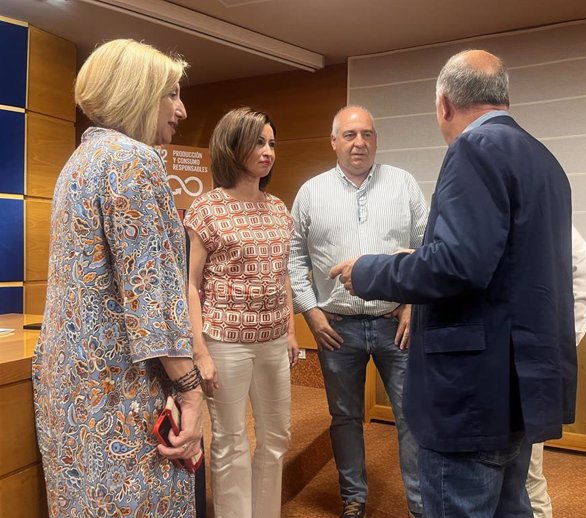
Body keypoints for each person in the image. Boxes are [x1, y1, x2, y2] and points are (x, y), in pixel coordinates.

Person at [331, 49, 576, 517]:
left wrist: (367, 271)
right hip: (518, 385)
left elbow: (457, 267)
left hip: (471, 394)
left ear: (444, 104)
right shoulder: (543, 158)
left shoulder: (472, 148)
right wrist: (422, 257)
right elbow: (500, 265)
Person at [32, 39, 203, 517]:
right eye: (171, 93)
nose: (181, 109)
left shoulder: (77, 164)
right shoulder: (134, 161)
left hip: (72, 390)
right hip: (120, 395)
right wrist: (191, 395)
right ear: (138, 93)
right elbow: (152, 301)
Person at [288, 105, 427, 518]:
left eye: (367, 134)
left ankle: (420, 505)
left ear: (376, 140)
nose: (359, 142)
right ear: (334, 141)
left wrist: (413, 304)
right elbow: (294, 258)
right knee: (344, 417)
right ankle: (354, 498)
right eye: (349, 135)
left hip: (395, 324)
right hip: (337, 328)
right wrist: (310, 312)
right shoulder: (311, 192)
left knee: (412, 417)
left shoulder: (403, 184)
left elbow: (427, 250)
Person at [184, 107, 299, 518]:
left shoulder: (279, 208)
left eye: (271, 143)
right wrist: (199, 350)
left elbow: (281, 273)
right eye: (258, 142)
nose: (267, 152)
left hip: (272, 341)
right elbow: (190, 286)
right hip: (225, 342)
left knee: (276, 436)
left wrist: (288, 329)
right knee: (231, 440)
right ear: (233, 147)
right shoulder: (206, 209)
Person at [526, 226, 586, 517]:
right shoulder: (476, 216)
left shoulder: (554, 224)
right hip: (481, 373)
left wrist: (556, 347)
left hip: (531, 370)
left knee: (527, 474)